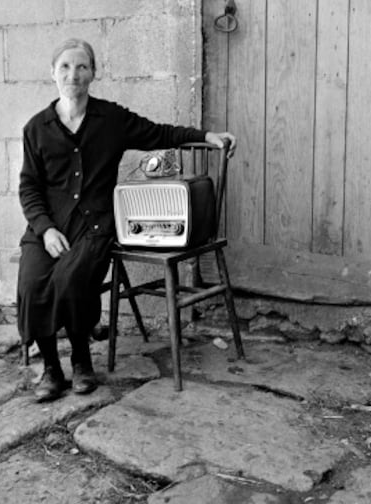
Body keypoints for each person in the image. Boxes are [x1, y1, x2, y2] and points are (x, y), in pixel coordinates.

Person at [17, 38, 236, 403]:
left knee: (71, 279)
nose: (74, 74)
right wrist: (45, 229)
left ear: (94, 73)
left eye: (82, 67)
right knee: (31, 282)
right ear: (53, 73)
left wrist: (205, 136)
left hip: (95, 225)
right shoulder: (36, 128)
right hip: (49, 226)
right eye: (66, 67)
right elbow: (29, 188)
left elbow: (160, 133)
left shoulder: (111, 119)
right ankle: (52, 370)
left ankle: (82, 362)